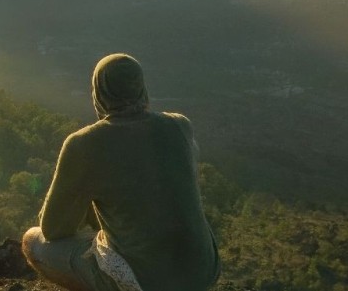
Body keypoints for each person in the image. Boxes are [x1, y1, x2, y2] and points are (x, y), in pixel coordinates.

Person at [21, 53, 219, 291]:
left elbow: (54, 229)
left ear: (98, 93)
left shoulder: (84, 144)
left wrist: (82, 203)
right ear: (142, 88)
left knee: (33, 241)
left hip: (147, 283)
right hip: (203, 272)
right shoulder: (179, 126)